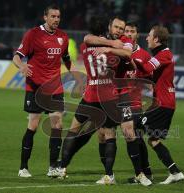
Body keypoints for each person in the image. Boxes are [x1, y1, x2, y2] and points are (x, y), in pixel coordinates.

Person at [58, 16, 151, 186]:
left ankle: (140, 173)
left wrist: (110, 49)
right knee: (104, 135)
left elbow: (127, 53)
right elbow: (88, 38)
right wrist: (110, 45)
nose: (121, 32)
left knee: (128, 134)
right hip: (109, 95)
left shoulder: (123, 42)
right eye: (117, 28)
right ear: (109, 27)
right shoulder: (105, 40)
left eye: (123, 29)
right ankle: (108, 174)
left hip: (119, 96)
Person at [13, 4, 72, 178]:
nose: (56, 20)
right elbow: (17, 56)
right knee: (33, 126)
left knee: (58, 125)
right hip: (35, 88)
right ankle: (23, 167)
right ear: (45, 17)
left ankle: (53, 167)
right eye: (53, 16)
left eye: (58, 17)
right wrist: (21, 66)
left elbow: (66, 57)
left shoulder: (63, 37)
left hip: (55, 88)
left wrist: (75, 73)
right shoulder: (33, 34)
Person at [133, 25, 184, 184]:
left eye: (149, 35)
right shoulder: (161, 55)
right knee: (153, 140)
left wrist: (129, 56)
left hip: (163, 104)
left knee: (134, 128)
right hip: (163, 103)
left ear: (156, 39)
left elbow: (147, 67)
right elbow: (149, 75)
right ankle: (175, 172)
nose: (147, 38)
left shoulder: (164, 54)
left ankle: (144, 174)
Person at [123, 21, 153, 183]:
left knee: (136, 138)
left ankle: (144, 173)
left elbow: (150, 82)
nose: (128, 34)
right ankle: (143, 173)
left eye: (132, 31)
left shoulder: (144, 55)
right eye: (126, 31)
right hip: (116, 102)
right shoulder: (119, 51)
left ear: (137, 34)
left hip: (134, 103)